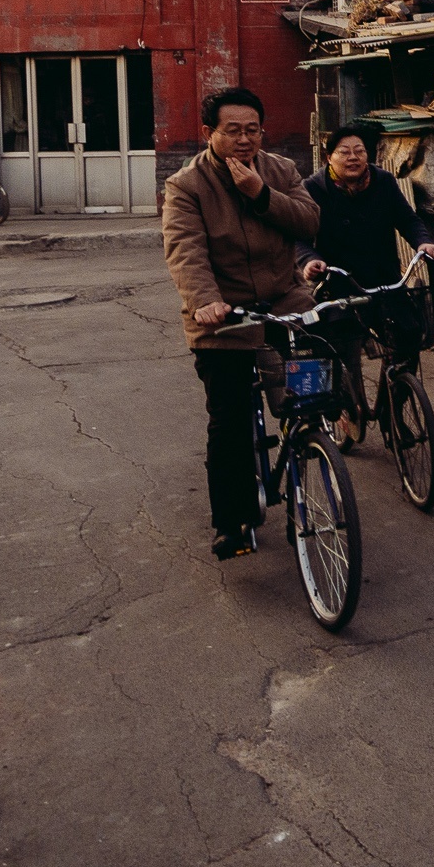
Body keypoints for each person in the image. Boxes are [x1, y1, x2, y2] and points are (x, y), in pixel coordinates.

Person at [161, 86, 320, 561]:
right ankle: (232, 521)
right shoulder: (186, 186)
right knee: (228, 422)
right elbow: (185, 252)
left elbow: (309, 224)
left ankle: (314, 466)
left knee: (306, 399)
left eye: (252, 130)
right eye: (233, 131)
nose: (244, 140)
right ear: (209, 133)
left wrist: (261, 193)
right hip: (223, 317)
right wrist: (206, 302)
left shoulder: (282, 170)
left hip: (281, 301)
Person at [297, 126, 434, 435]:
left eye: (359, 151)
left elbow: (408, 219)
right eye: (344, 152)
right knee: (338, 349)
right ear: (329, 157)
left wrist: (423, 242)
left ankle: (393, 412)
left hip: (383, 280)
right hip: (336, 283)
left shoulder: (384, 182)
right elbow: (297, 238)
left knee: (409, 336)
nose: (353, 158)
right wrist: (310, 261)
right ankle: (346, 405)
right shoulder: (312, 188)